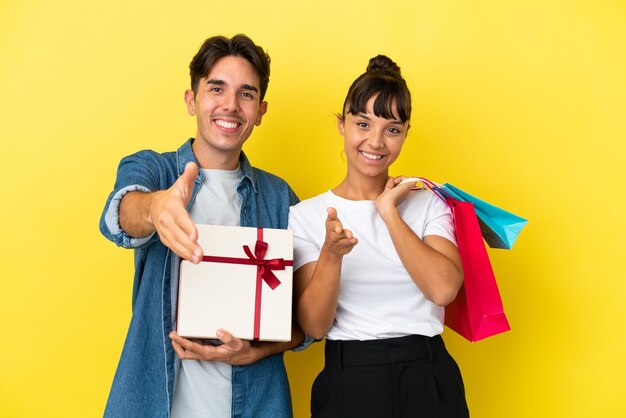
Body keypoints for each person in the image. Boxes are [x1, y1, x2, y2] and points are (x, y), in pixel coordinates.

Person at [99, 34, 304, 418]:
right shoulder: (154, 170)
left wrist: (257, 350)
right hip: (155, 402)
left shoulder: (280, 198)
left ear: (260, 110)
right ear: (192, 100)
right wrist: (155, 207)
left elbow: (306, 318)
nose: (230, 105)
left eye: (246, 94)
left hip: (256, 402)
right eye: (216, 88)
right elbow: (119, 215)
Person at [288, 55, 470, 417]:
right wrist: (332, 254)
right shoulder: (307, 215)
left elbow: (443, 289)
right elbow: (314, 326)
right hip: (349, 380)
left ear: (405, 133)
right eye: (362, 123)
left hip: (428, 375)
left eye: (392, 129)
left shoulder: (428, 203)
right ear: (342, 125)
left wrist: (388, 212)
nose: (375, 141)